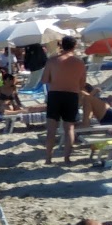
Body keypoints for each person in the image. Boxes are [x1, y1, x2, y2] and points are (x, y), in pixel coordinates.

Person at [41, 36, 88, 165]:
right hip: (71, 95)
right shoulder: (79, 62)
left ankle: (48, 158)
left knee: (51, 129)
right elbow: (82, 84)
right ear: (75, 46)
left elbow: (44, 80)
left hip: (55, 94)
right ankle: (67, 158)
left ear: (61, 45)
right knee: (69, 128)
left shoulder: (52, 61)